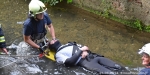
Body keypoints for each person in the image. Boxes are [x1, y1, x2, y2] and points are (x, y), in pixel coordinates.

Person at [49, 40, 128, 75]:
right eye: (51, 41)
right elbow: (68, 62)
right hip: (87, 63)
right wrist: (81, 51)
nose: (53, 40)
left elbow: (84, 47)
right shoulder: (58, 54)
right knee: (111, 73)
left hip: (93, 56)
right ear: (52, 47)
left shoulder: (69, 44)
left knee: (118, 67)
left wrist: (84, 50)